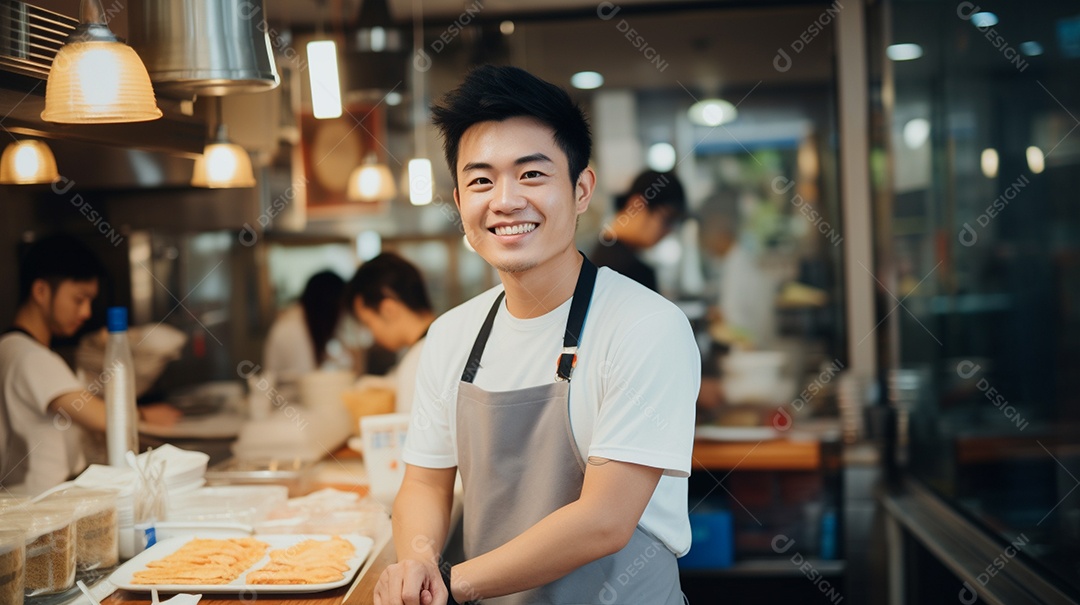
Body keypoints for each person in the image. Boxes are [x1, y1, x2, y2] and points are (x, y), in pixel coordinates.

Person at [375, 66, 699, 605]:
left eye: (531, 174)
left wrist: (452, 585)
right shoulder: (451, 335)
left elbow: (604, 520)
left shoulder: (646, 326)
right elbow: (425, 481)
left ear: (581, 190)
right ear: (459, 201)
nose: (504, 201)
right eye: (481, 181)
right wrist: (417, 564)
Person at [0, 234, 180, 496]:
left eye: (90, 302)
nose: (86, 312)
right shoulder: (29, 356)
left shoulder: (10, 347)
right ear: (41, 291)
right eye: (79, 299)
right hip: (40, 501)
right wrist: (145, 414)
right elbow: (105, 418)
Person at [344, 252, 435, 414]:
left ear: (388, 309)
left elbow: (408, 428)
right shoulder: (442, 340)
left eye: (368, 323)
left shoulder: (417, 361)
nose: (372, 334)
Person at [590, 169, 687, 292]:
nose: (669, 231)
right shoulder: (629, 270)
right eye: (668, 219)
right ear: (637, 205)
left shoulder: (600, 254)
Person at [262, 270, 359, 382]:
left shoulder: (306, 322)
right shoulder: (292, 329)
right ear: (328, 306)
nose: (340, 316)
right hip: (284, 393)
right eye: (339, 308)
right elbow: (306, 378)